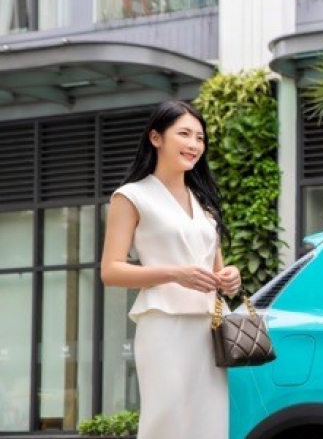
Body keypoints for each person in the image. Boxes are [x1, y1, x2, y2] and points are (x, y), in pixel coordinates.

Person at [100, 100, 241, 439]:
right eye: (184, 134)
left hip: (210, 330)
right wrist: (175, 274)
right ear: (156, 138)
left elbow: (217, 270)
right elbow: (111, 271)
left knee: (210, 423)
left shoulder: (203, 201)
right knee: (167, 422)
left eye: (200, 138)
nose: (194, 145)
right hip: (164, 326)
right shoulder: (131, 196)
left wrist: (230, 277)